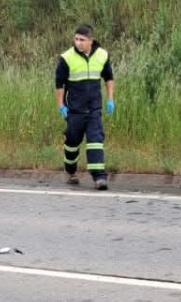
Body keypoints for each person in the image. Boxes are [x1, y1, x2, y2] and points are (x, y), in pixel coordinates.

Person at [55, 24, 115, 190]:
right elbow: (59, 85)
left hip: (94, 108)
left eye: (82, 40)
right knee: (72, 143)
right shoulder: (66, 58)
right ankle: (70, 170)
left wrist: (110, 99)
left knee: (95, 141)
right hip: (74, 110)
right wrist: (61, 106)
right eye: (76, 39)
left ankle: (99, 177)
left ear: (91, 41)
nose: (78, 43)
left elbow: (109, 78)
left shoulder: (102, 55)